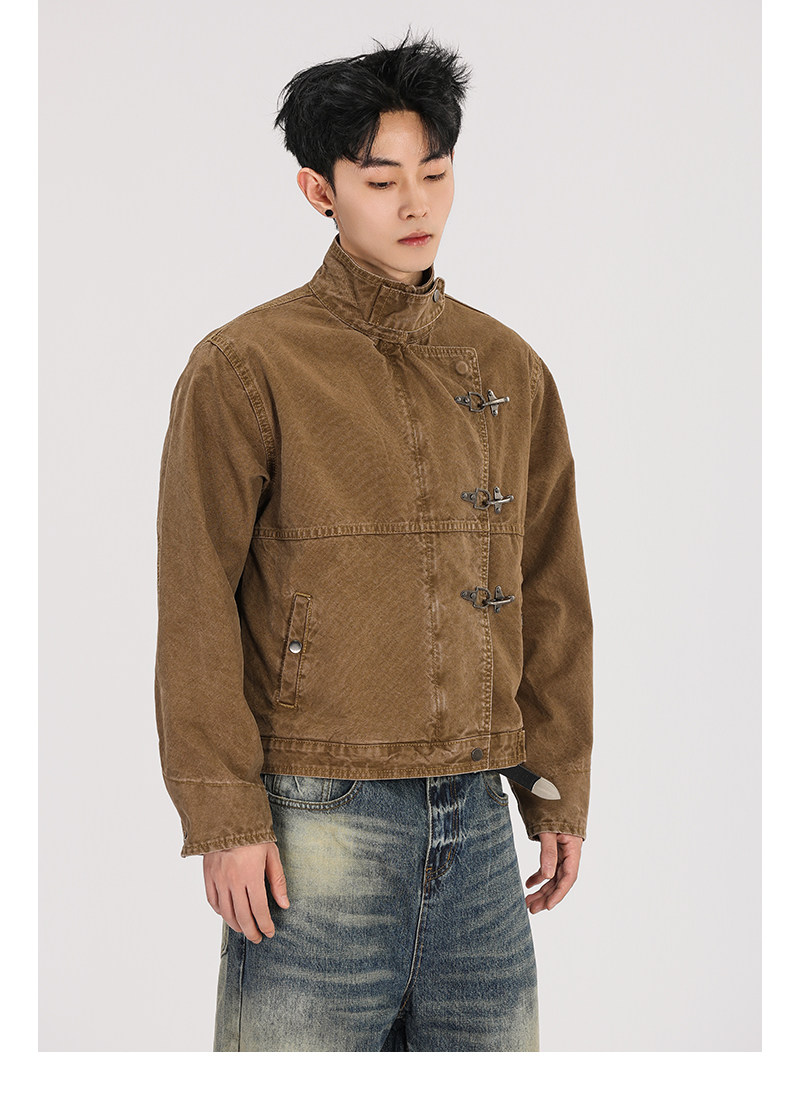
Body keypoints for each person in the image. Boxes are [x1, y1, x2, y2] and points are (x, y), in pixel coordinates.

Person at [154, 28, 593, 1052]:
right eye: (382, 179)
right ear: (320, 190)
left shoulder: (508, 366)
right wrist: (225, 818)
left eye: (434, 173)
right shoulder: (246, 365)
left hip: (479, 830)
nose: (415, 204)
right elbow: (195, 597)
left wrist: (554, 787)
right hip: (317, 821)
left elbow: (549, 586)